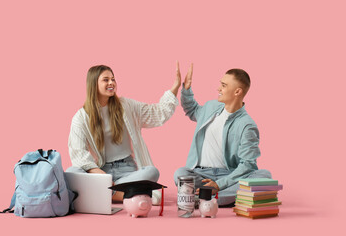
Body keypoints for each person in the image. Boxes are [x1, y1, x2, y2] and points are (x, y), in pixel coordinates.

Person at [67, 64, 181, 205]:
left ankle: (108, 193)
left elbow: (156, 113)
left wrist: (175, 88)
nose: (111, 83)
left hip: (127, 172)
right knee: (72, 171)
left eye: (113, 79)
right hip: (101, 171)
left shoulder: (126, 106)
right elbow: (78, 154)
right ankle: (124, 194)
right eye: (106, 80)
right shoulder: (81, 117)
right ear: (93, 84)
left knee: (151, 172)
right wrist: (100, 174)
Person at [174, 64, 271, 206]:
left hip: (229, 175)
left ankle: (206, 198)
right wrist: (186, 89)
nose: (218, 88)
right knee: (180, 173)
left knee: (264, 176)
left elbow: (248, 165)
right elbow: (192, 110)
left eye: (224, 85)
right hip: (202, 174)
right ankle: (220, 197)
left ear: (237, 92)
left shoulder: (247, 125)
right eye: (220, 84)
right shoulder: (211, 107)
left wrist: (219, 184)